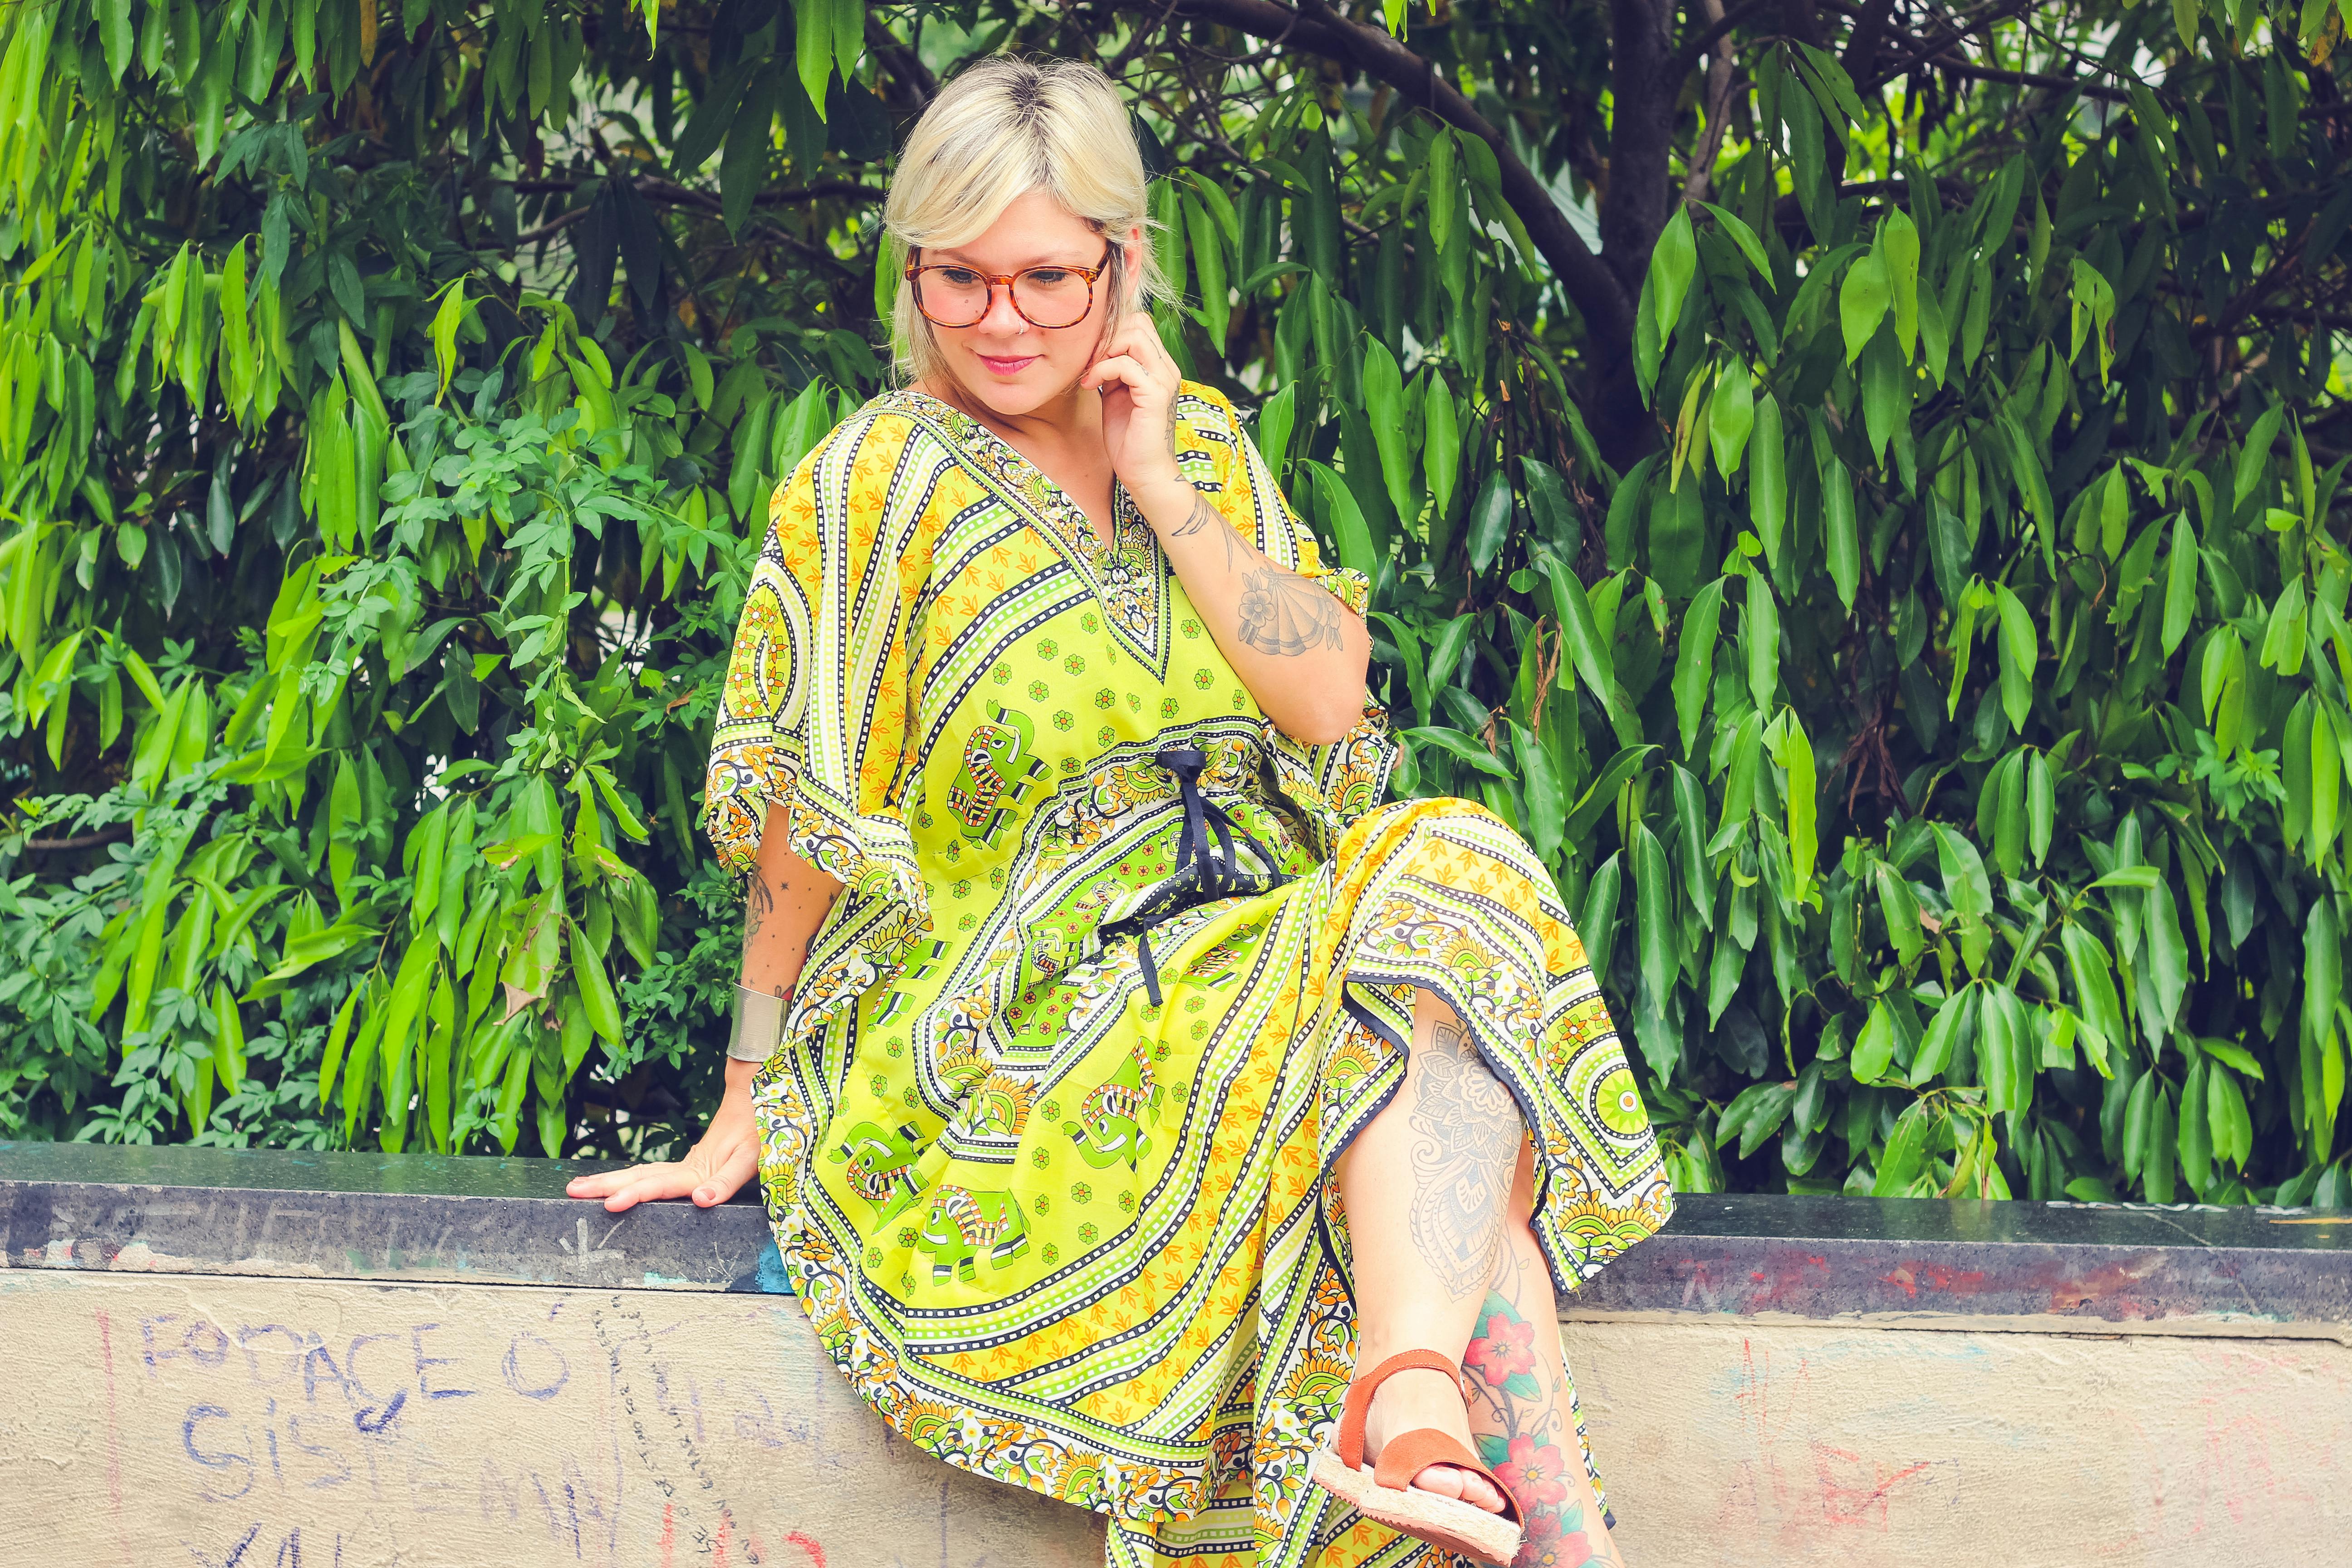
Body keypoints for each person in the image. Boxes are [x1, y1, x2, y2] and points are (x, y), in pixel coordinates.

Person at [569, 54, 1671, 1568]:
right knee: (1413, 1072)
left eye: (1042, 279)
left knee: (1446, 874)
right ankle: (1493, 1478)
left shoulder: (1199, 444)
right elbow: (801, 808)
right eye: (956, 279)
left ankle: (1409, 1400)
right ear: (912, 271)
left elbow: (1338, 708)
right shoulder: (869, 483)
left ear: (1122, 263)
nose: (1000, 321)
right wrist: (751, 1084)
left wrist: (1161, 483)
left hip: (1259, 970)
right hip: (1021, 1030)